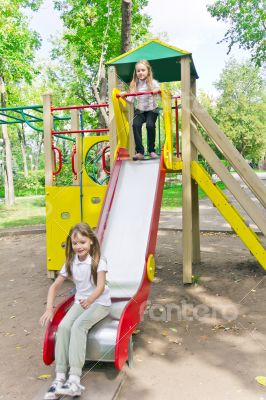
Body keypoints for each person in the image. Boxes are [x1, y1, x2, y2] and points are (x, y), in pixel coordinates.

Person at [40, 222, 111, 399]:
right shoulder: (71, 263)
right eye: (75, 243)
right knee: (63, 327)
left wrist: (90, 300)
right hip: (82, 302)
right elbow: (54, 287)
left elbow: (101, 286)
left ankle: (74, 380)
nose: (79, 246)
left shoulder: (98, 261)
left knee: (78, 326)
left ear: (91, 242)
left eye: (83, 242)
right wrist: (49, 308)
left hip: (99, 303)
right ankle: (60, 376)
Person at [121, 59, 161, 161]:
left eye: (143, 70)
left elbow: (159, 90)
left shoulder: (153, 82)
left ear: (148, 71)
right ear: (136, 73)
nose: (140, 72)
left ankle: (151, 150)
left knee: (150, 125)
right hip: (140, 110)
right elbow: (130, 100)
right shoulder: (135, 84)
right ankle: (140, 152)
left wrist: (155, 91)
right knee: (135, 125)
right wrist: (124, 96)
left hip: (152, 109)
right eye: (138, 71)